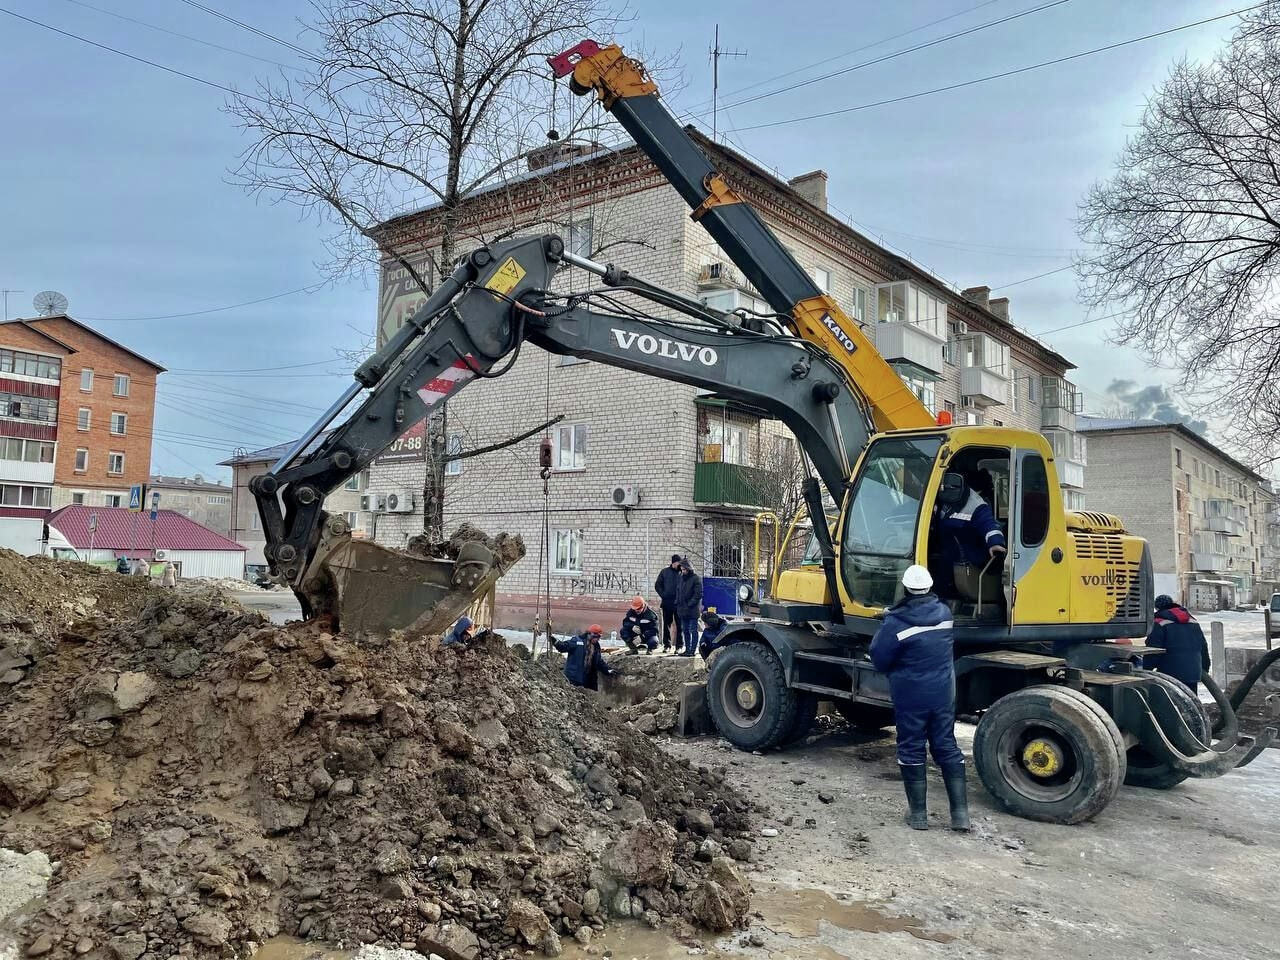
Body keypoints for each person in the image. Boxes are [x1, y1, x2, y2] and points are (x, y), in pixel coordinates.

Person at [870, 564, 969, 832]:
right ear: (929, 587)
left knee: (912, 748)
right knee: (946, 746)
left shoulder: (896, 622)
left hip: (911, 695)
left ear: (904, 588)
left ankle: (918, 816)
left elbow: (879, 659)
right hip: (942, 694)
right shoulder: (945, 614)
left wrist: (889, 622)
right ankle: (960, 815)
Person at [934, 471, 1006, 596]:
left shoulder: (977, 505)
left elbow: (989, 525)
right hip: (945, 548)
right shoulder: (937, 493)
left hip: (967, 554)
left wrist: (996, 543)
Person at [1146, 595, 1211, 691]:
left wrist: (1146, 669)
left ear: (1157, 608)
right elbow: (1203, 647)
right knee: (1190, 702)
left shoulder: (1159, 623)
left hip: (1169, 675)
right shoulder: (1192, 621)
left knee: (1171, 704)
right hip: (1192, 673)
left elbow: (1153, 650)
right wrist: (1205, 668)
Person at [554, 624, 616, 690]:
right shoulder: (577, 641)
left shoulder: (596, 646)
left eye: (598, 638)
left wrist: (607, 670)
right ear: (590, 634)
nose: (597, 640)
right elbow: (564, 646)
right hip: (573, 679)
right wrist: (556, 642)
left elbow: (598, 661)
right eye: (596, 637)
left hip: (587, 681)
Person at [654, 555, 683, 652]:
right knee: (667, 624)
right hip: (667, 603)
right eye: (678, 563)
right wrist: (664, 595)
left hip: (679, 603)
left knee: (680, 625)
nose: (679, 565)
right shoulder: (665, 572)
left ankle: (679, 646)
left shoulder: (682, 572)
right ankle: (667, 645)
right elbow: (658, 585)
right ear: (674, 563)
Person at [675, 559, 703, 657]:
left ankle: (692, 650)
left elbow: (698, 594)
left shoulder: (696, 579)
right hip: (682, 609)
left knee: (693, 630)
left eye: (685, 570)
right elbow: (678, 591)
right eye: (682, 570)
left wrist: (690, 604)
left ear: (689, 569)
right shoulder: (681, 578)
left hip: (692, 610)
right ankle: (687, 649)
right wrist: (677, 602)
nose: (683, 571)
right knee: (685, 631)